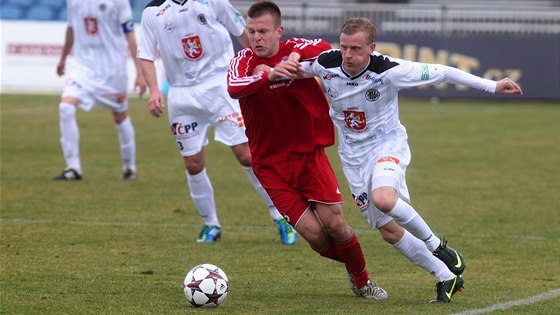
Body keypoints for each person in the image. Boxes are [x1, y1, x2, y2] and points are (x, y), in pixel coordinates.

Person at [296, 17, 524, 303]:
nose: (348, 55)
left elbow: (442, 72)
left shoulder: (390, 70)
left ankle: (438, 246)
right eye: (344, 47)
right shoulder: (326, 63)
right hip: (353, 158)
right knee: (390, 232)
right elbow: (294, 68)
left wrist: (491, 86)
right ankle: (447, 276)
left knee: (384, 199)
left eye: (356, 49)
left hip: (387, 145)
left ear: (372, 48)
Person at [227, 1, 388, 300]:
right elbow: (234, 87)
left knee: (335, 225)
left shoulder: (293, 48)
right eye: (251, 31)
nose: (256, 38)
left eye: (263, 31)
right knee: (315, 236)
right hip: (270, 165)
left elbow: (323, 46)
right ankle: (355, 263)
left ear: (279, 31)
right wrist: (270, 75)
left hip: (308, 155)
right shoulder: (242, 61)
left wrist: (294, 58)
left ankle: (362, 280)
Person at [137, 0, 297, 245]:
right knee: (192, 163)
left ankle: (281, 216)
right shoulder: (152, 11)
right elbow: (146, 54)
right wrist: (155, 90)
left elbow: (242, 33)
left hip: (220, 86)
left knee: (247, 155)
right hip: (182, 94)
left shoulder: (213, 1)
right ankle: (211, 224)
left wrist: (257, 63)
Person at [53, 0, 147, 181]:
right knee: (65, 107)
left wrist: (139, 72)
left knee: (120, 115)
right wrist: (63, 57)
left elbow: (130, 35)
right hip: (83, 67)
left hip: (112, 71)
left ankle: (129, 167)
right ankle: (73, 168)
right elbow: (71, 27)